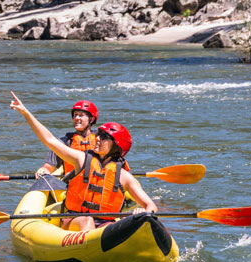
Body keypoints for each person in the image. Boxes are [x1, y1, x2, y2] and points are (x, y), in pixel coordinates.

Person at [10, 92, 157, 232]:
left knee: (129, 221)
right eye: (99, 135)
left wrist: (144, 211)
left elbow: (151, 205)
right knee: (87, 220)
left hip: (104, 224)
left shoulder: (123, 176)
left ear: (116, 146)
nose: (97, 138)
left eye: (104, 137)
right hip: (74, 218)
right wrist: (26, 113)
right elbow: (49, 140)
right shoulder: (81, 159)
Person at [37, 100, 98, 178]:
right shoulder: (64, 142)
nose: (76, 118)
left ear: (91, 119)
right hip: (71, 182)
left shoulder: (101, 140)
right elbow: (48, 167)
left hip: (95, 181)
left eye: (81, 115)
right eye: (75, 115)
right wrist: (43, 171)